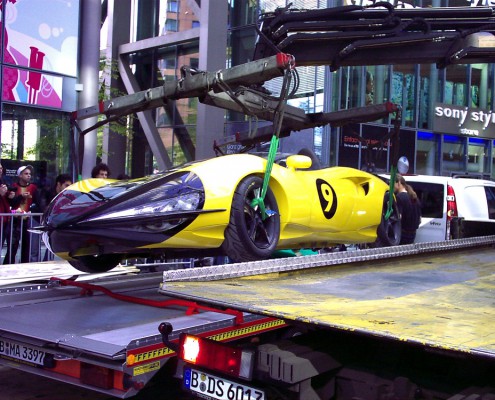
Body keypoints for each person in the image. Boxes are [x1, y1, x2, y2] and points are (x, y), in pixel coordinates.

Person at [3, 165, 41, 264]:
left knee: (26, 245)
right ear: (20, 175)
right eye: (26, 174)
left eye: (29, 174)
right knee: (12, 247)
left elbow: (38, 202)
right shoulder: (14, 187)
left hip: (28, 220)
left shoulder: (33, 187)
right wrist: (21, 197)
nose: (28, 176)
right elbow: (11, 203)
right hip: (15, 220)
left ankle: (24, 265)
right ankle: (7, 266)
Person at [394, 173, 421, 245]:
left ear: (398, 183)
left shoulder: (399, 197)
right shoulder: (414, 197)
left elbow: (398, 217)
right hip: (412, 234)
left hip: (402, 234)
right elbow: (419, 219)